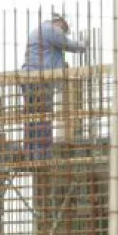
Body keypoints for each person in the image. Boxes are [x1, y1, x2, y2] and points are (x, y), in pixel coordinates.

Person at [20, 13, 87, 159]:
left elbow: (53, 57)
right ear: (60, 22)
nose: (63, 32)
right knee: (43, 117)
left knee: (33, 118)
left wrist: (63, 67)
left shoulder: (39, 32)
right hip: (39, 79)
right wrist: (83, 45)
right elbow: (68, 44)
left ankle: (32, 154)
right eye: (64, 29)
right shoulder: (50, 29)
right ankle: (42, 155)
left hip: (32, 78)